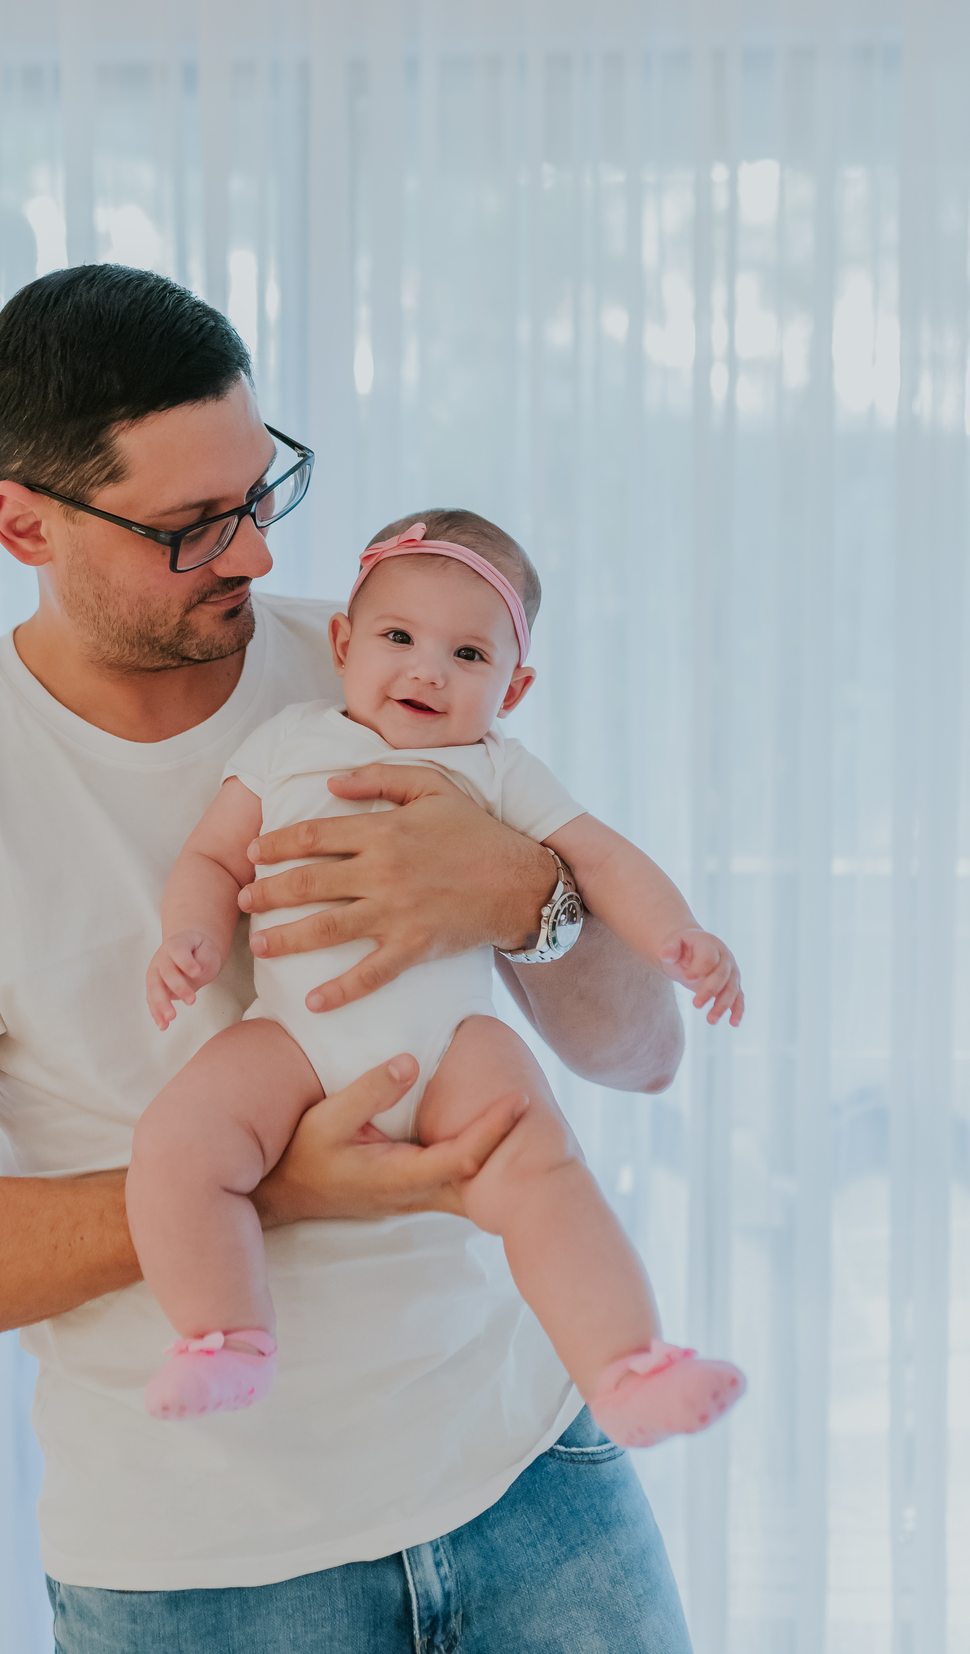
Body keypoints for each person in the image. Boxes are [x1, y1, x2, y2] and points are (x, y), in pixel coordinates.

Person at [0, 264, 696, 1651]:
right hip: (202, 1577)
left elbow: (646, 1054)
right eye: (190, 526)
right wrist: (278, 1186)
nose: (259, 556)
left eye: (261, 488)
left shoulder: (395, 665)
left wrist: (529, 897)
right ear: (22, 522)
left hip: (533, 1477)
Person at [131, 510, 745, 1445]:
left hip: (454, 1048)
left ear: (515, 685)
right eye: (398, 638)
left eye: (467, 654)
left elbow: (604, 859)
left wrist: (680, 937)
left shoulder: (497, 769)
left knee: (543, 1165)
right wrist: (191, 939)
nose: (426, 670)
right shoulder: (290, 742)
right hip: (294, 1035)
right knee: (179, 1142)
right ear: (343, 643)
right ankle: (226, 1338)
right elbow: (215, 858)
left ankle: (628, 1365)